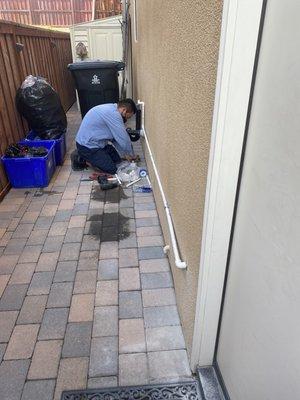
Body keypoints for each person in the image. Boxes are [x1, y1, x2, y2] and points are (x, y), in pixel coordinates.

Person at [75, 98, 137, 174]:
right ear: (124, 110)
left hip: (98, 143)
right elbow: (123, 138)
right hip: (87, 146)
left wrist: (125, 154)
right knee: (112, 169)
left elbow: (115, 138)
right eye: (128, 117)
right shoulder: (113, 114)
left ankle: (93, 157)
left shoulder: (113, 108)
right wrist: (131, 154)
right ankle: (83, 158)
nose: (127, 120)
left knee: (117, 161)